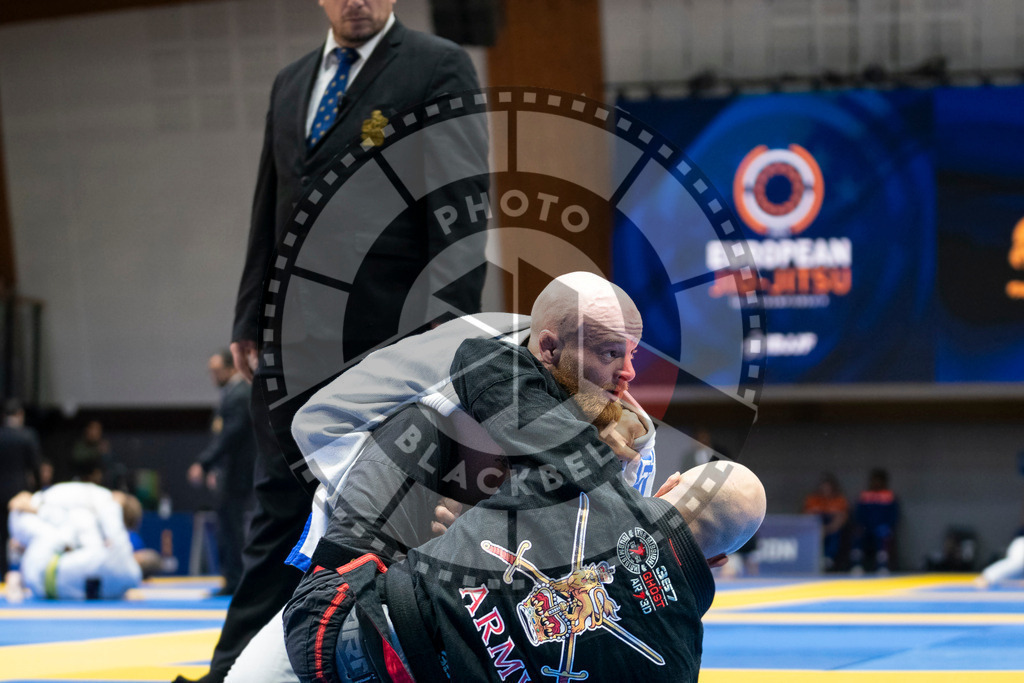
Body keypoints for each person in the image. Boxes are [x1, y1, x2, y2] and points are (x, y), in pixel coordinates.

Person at [183, 1, 487, 680]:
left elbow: (463, 208)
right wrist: (246, 318)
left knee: (381, 527)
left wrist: (439, 344)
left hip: (385, 344)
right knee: (274, 520)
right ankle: (227, 670)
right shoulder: (291, 82)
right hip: (289, 347)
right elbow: (271, 201)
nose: (358, 0)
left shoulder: (438, 68)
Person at [221, 273, 659, 681]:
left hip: (489, 605)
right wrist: (417, 539)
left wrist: (487, 537)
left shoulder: (622, 432)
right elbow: (316, 421)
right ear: (548, 348)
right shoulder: (455, 367)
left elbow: (607, 575)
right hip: (376, 561)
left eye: (630, 354)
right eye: (609, 353)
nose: (629, 373)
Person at [281, 321, 765, 681]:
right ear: (720, 559)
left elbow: (479, 362)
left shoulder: (585, 481)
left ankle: (324, 562)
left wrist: (602, 423)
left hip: (333, 642)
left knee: (418, 427)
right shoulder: (680, 661)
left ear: (670, 484)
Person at [6, 482, 152, 600]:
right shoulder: (103, 506)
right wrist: (35, 507)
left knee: (72, 535)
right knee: (77, 527)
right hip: (26, 516)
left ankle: (20, 566)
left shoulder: (101, 515)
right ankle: (20, 569)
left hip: (38, 558)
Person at [188, 350, 257, 596]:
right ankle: (233, 577)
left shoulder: (239, 393)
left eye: (216, 370)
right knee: (228, 525)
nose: (212, 376)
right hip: (231, 470)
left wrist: (205, 462)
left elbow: (231, 435)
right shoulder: (232, 393)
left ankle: (236, 579)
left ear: (230, 368)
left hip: (239, 472)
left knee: (231, 525)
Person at [0, 399, 42, 575]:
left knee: (1, 535)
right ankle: (26, 574)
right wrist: (38, 491)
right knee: (25, 535)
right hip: (20, 493)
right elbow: (36, 466)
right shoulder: (27, 435)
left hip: (0, 493)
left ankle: (1, 573)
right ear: (20, 415)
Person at [850, 468, 899, 574]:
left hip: (881, 528)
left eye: (879, 480)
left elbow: (893, 515)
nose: (876, 483)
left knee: (883, 535)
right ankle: (856, 565)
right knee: (858, 535)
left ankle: (882, 565)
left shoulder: (889, 496)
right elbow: (858, 514)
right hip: (866, 527)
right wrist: (860, 526)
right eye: (874, 480)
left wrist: (888, 527)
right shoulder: (864, 495)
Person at [802, 473, 849, 572]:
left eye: (828, 487)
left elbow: (842, 518)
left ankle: (829, 558)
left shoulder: (839, 500)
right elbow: (806, 516)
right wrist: (818, 529)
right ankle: (811, 559)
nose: (825, 490)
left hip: (832, 529)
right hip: (815, 529)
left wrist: (827, 529)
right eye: (823, 487)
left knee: (835, 536)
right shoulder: (813, 499)